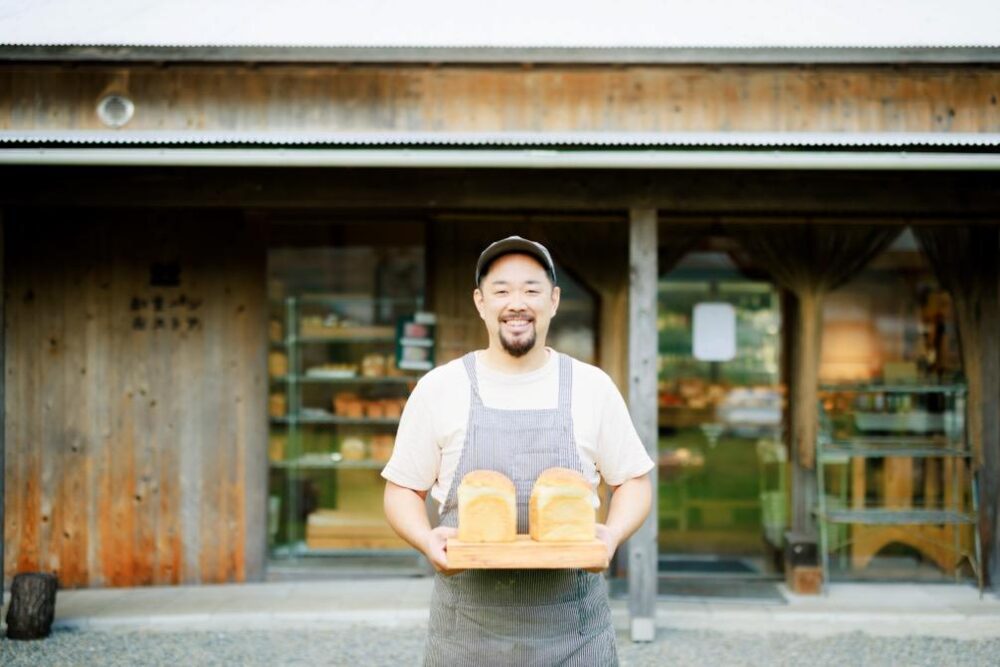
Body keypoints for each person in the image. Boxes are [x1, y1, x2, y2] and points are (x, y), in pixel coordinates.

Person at [382, 235, 654, 666]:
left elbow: (633, 480)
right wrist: (424, 539)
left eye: (531, 290)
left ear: (554, 300)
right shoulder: (440, 387)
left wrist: (613, 534)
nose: (517, 304)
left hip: (575, 635)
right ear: (480, 302)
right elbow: (402, 489)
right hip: (467, 637)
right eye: (501, 290)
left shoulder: (592, 386)